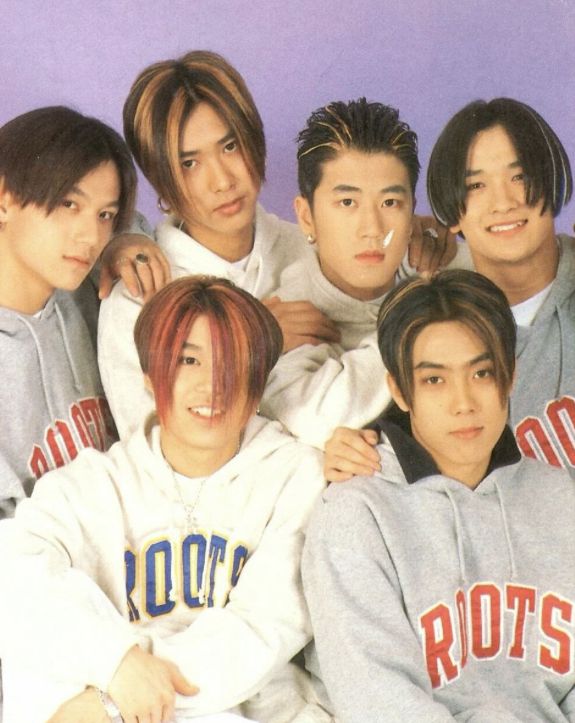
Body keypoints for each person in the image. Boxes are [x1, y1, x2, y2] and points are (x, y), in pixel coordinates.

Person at [0, 276, 326, 723]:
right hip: (120, 693)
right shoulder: (97, 482)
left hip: (237, 709)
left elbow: (261, 632)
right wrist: (118, 661)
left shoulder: (296, 475)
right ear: (152, 378)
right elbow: (12, 570)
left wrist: (113, 702)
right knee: (30, 636)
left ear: (257, 387)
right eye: (188, 360)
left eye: (234, 362)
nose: (212, 385)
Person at [98, 50, 453, 441]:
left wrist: (405, 232)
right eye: (189, 163)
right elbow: (156, 452)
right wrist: (249, 343)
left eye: (230, 146)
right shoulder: (138, 298)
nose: (222, 180)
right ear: (159, 179)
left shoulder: (308, 243)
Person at [303, 269, 575, 721]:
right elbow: (376, 697)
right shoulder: (356, 514)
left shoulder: (560, 498)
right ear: (399, 391)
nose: (463, 402)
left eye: (482, 372)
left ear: (510, 377)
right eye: (434, 380)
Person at [326, 97, 575, 480]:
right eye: (476, 185)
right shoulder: (431, 319)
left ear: (551, 179)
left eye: (520, 177)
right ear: (451, 212)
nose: (503, 202)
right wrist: (344, 451)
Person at [260, 98, 467, 448]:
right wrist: (416, 318)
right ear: (306, 216)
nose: (372, 228)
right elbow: (315, 413)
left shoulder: (436, 260)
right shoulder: (290, 310)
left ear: (413, 213)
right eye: (347, 203)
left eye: (390, 203)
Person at [0, 106, 138, 518]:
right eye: (68, 204)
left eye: (105, 216)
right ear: (5, 200)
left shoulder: (92, 293)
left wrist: (128, 242)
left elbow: (144, 230)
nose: (91, 235)